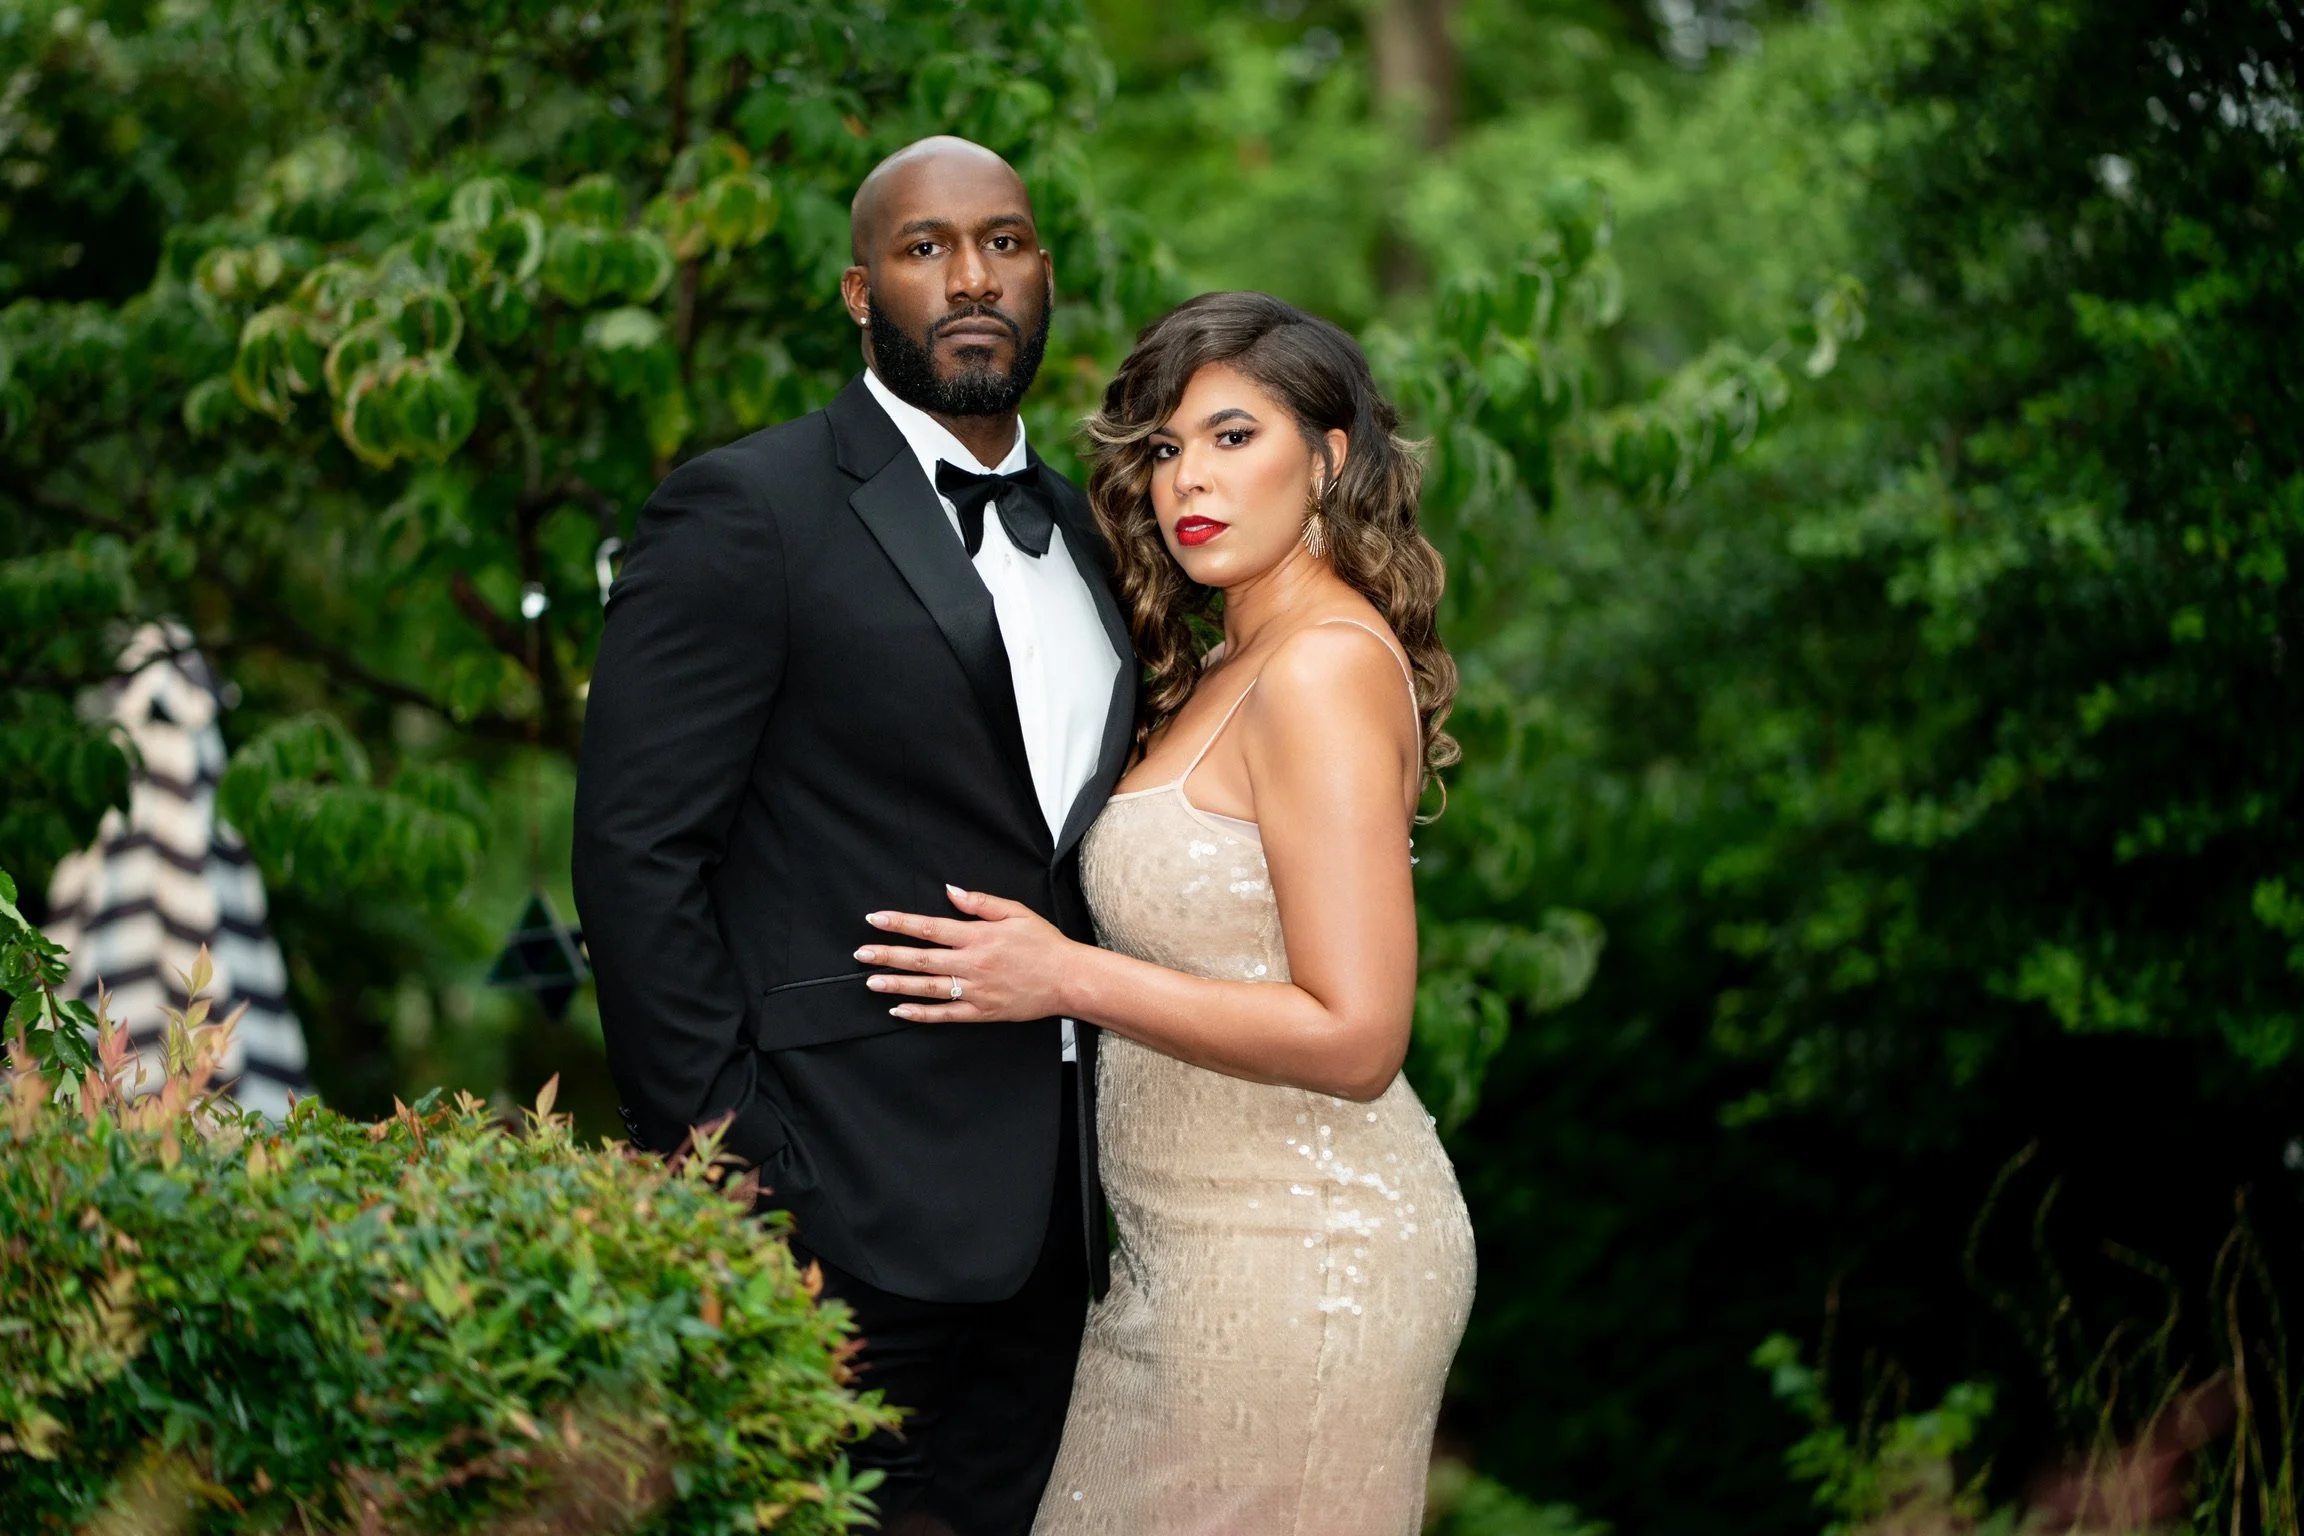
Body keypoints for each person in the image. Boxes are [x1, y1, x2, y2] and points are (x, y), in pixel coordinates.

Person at [571, 136, 1134, 1536]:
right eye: (925, 248)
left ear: (1045, 274)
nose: (971, 278)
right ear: (858, 290)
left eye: (1004, 243)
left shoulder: (1094, 532)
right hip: (831, 1213)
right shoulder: (745, 510)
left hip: (1065, 1232)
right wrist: (737, 1174)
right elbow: (638, 858)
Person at [854, 291, 1477, 1534]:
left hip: (1303, 1253)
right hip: (1185, 1260)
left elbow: (1359, 1034)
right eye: (1165, 448)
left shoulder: (1324, 666)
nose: (1189, 478)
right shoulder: (1229, 664)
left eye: (1234, 437)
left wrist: (1063, 977)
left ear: (1330, 459)